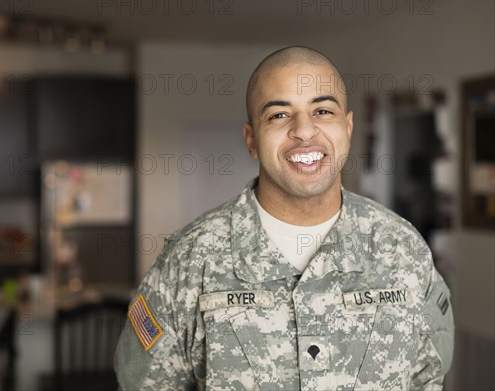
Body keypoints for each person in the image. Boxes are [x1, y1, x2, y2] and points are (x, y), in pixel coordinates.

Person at [114, 46, 454, 390]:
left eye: (322, 110)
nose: (304, 131)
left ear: (348, 128)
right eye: (278, 115)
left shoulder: (403, 250)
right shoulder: (187, 262)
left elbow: (428, 378)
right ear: (251, 141)